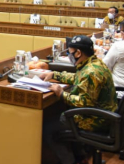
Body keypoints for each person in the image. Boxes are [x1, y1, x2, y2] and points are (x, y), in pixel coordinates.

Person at [41, 35, 117, 164]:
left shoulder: (91, 72)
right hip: (103, 114)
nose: (69, 56)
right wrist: (55, 74)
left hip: (96, 119)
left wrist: (61, 94)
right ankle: (80, 158)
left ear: (78, 53)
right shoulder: (94, 63)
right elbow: (78, 78)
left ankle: (71, 161)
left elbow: (84, 102)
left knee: (47, 129)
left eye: (70, 53)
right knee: (63, 118)